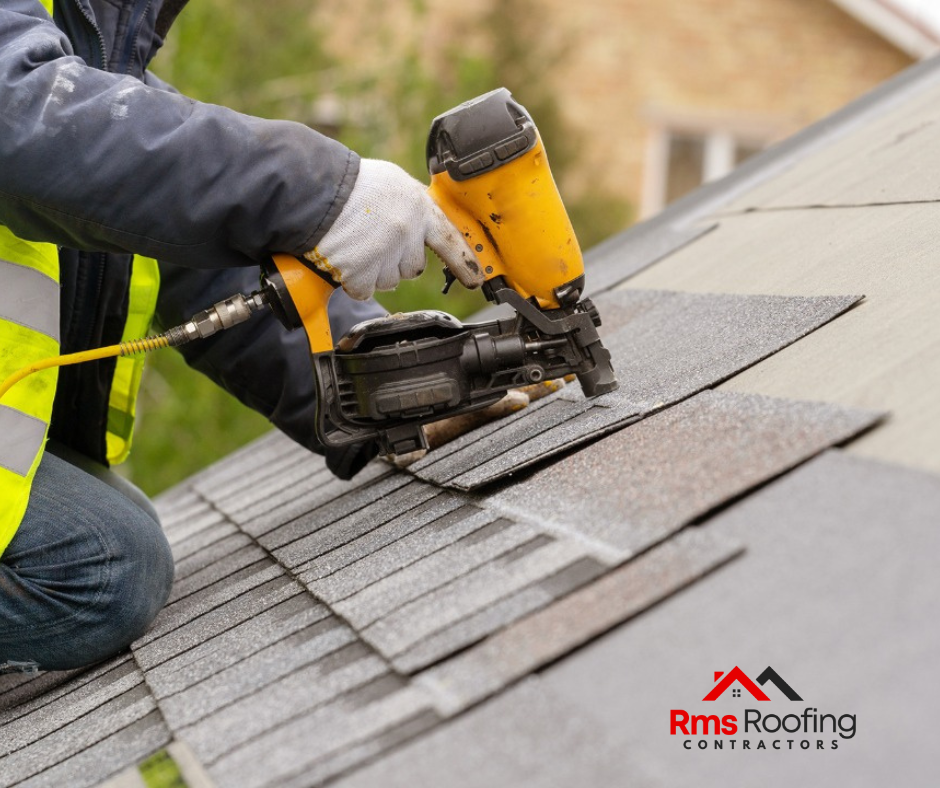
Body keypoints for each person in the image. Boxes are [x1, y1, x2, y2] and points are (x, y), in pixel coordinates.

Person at [0, 0, 483, 673]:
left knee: (105, 525)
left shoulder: (81, 45)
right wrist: (318, 194)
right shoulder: (46, 79)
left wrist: (381, 376)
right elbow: (26, 122)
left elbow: (186, 258)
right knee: (99, 565)